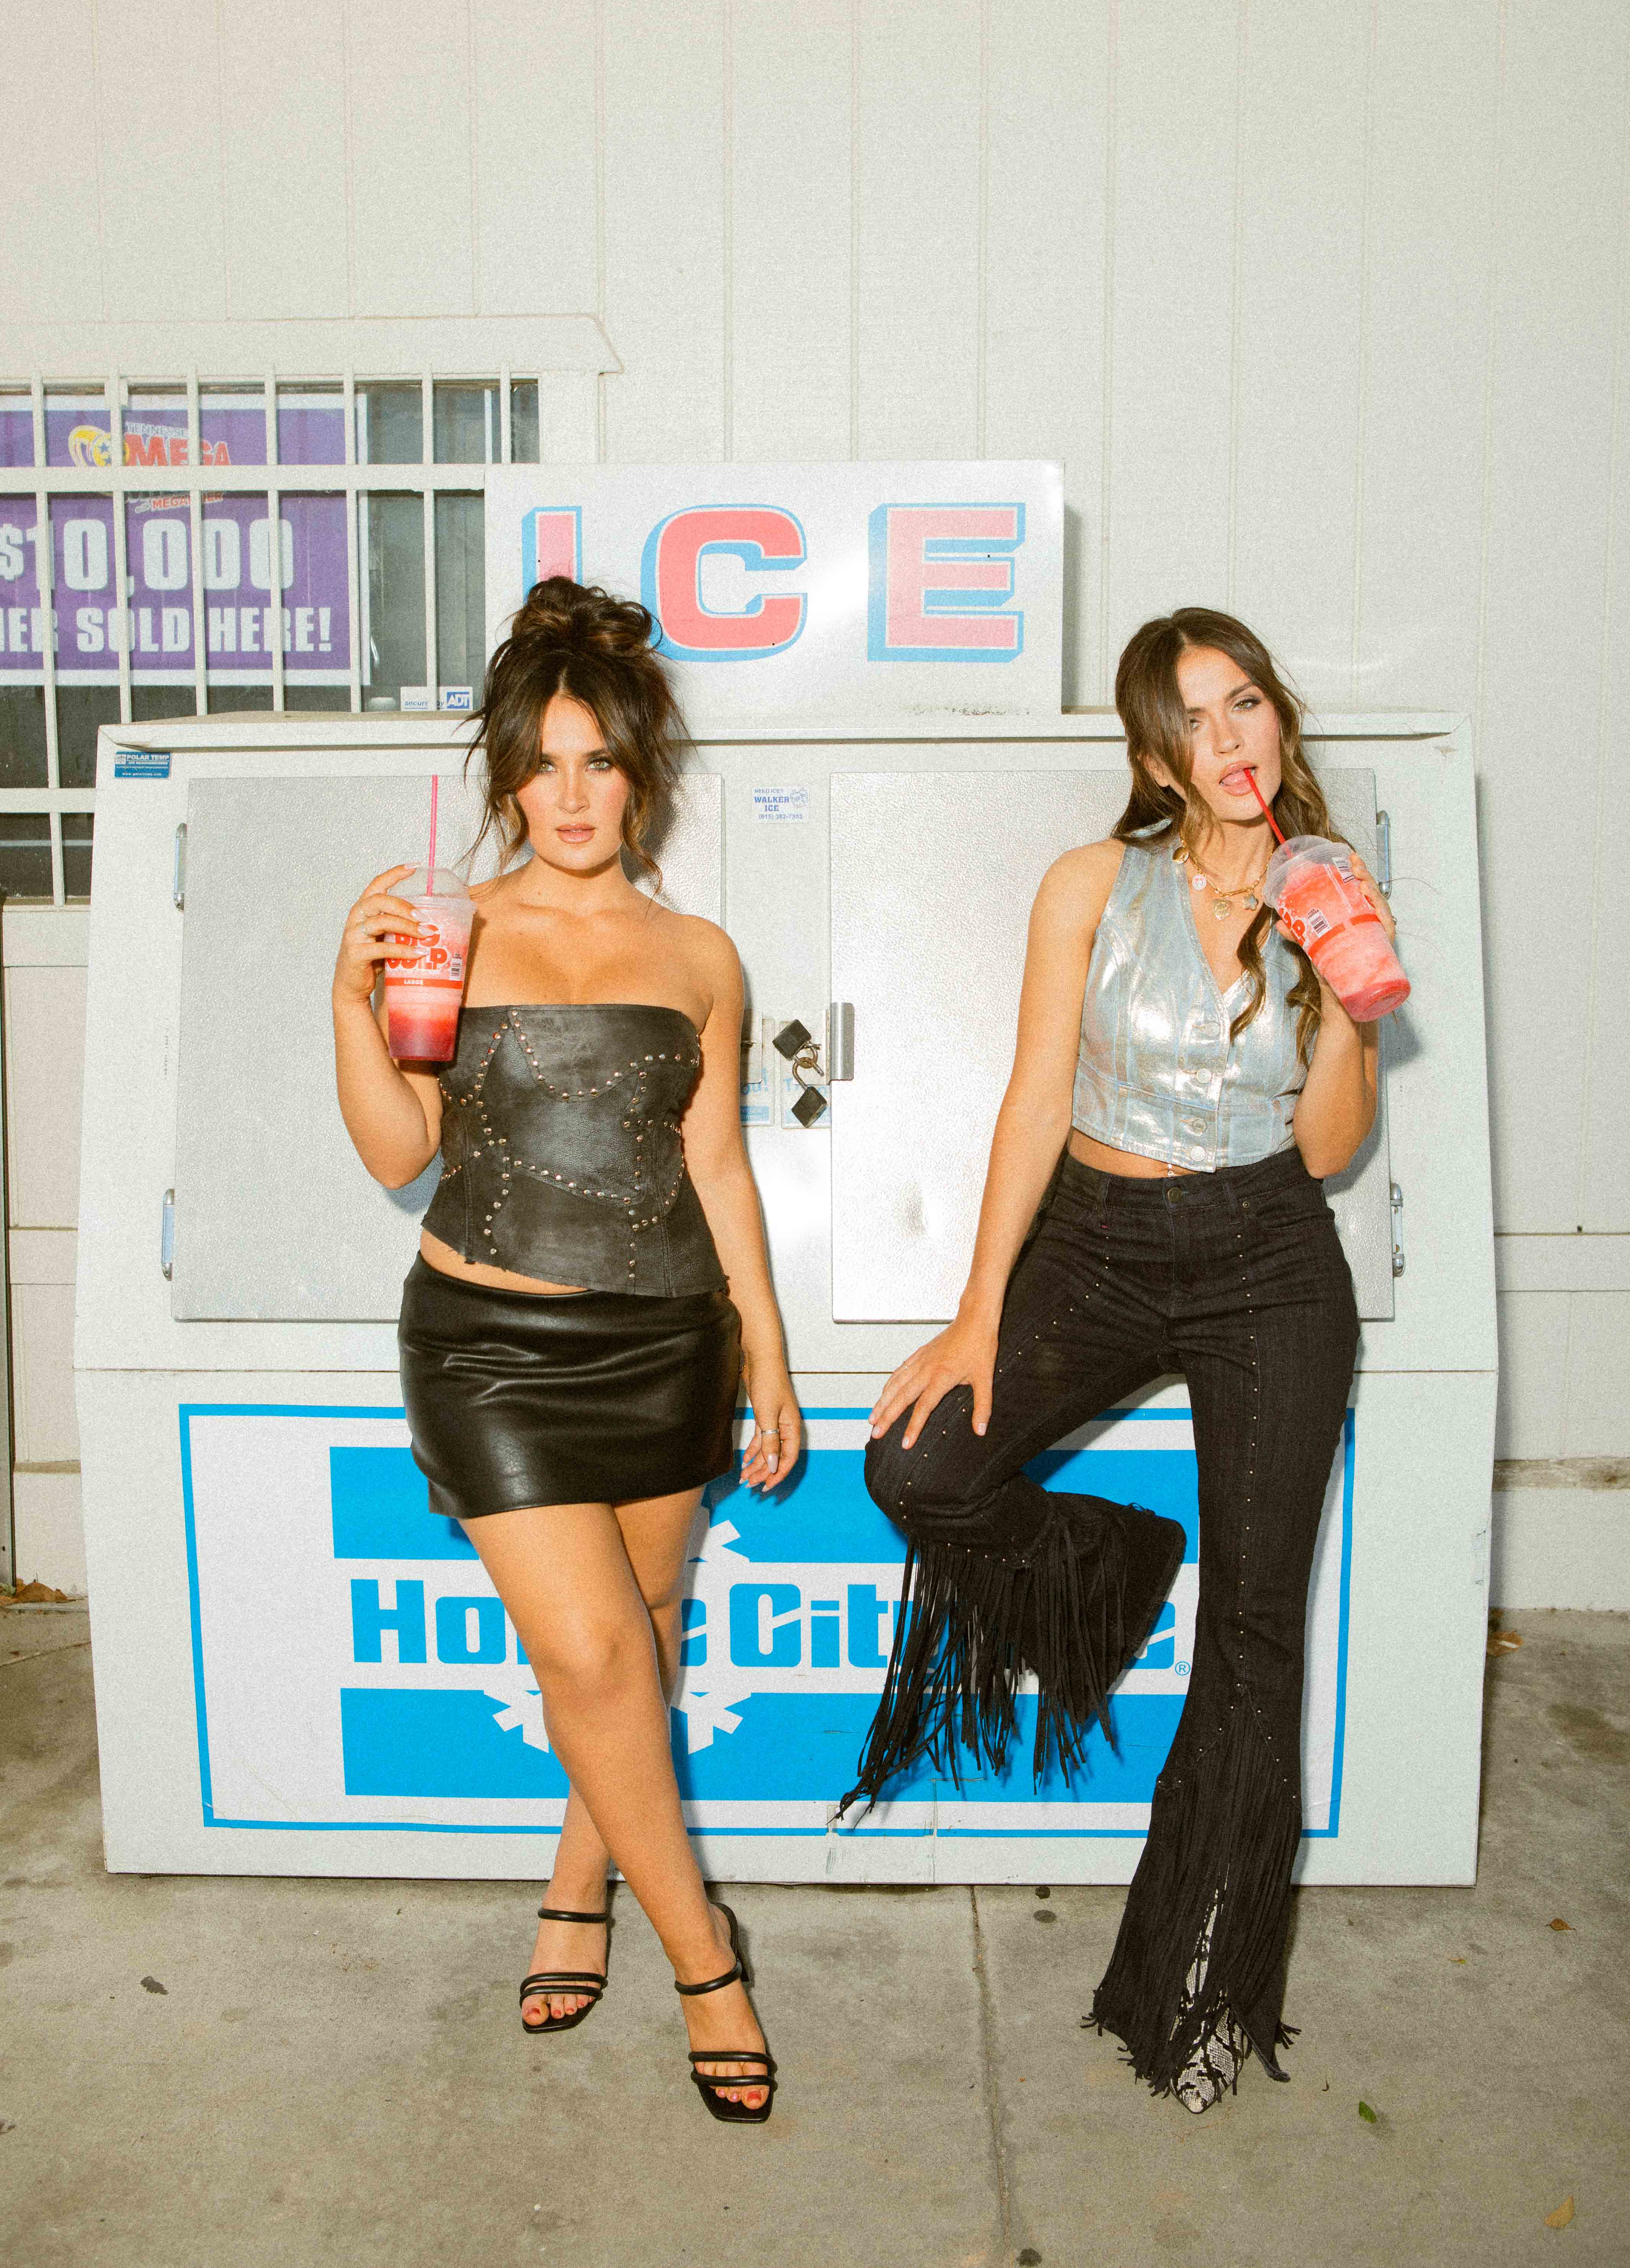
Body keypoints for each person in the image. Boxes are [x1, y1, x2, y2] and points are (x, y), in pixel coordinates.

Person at [852, 608, 1393, 2113]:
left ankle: (1196, 1993)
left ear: (1278, 716)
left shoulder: (1331, 890)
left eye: (1248, 706)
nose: (1232, 742)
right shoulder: (1093, 882)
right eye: (1195, 720)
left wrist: (1348, 993)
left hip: (1272, 1256)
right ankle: (1113, 1562)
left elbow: (1330, 1149)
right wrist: (977, 1310)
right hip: (1092, 1236)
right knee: (920, 1460)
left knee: (1255, 1644)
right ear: (1155, 752)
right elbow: (1035, 1098)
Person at [332, 577, 798, 2122]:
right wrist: (349, 995)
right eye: (545, 763)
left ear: (640, 772)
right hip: (486, 1347)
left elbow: (719, 1168)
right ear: (508, 777)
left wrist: (772, 1362)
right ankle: (707, 1956)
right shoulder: (446, 929)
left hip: (671, 1341)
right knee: (591, 1653)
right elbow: (398, 1144)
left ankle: (575, 1884)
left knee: (647, 1634)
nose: (575, 793)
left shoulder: (705, 955)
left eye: (601, 762)